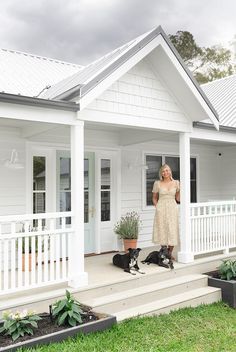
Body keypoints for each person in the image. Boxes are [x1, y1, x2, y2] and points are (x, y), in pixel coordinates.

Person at [152, 164, 180, 260]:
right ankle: (164, 251)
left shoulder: (176, 183)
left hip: (172, 207)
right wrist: (157, 207)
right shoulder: (157, 183)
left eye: (167, 170)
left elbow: (178, 198)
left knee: (172, 229)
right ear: (161, 173)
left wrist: (181, 190)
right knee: (162, 229)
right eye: (163, 171)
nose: (165, 172)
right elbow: (154, 198)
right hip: (161, 208)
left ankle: (169, 252)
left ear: (170, 171)